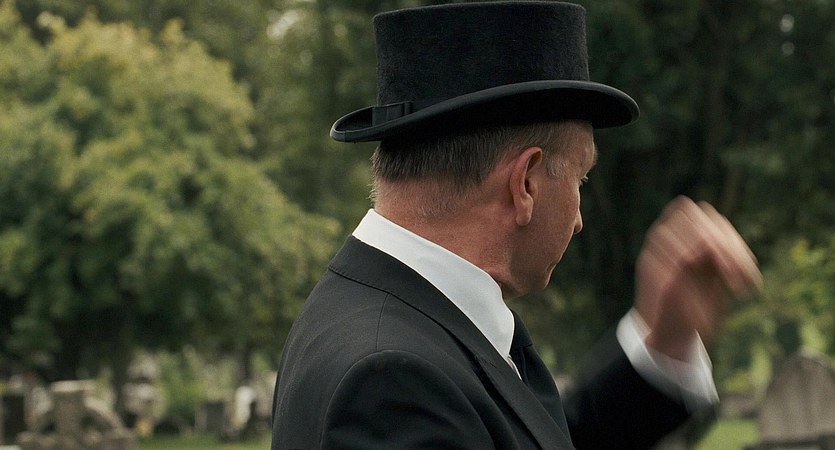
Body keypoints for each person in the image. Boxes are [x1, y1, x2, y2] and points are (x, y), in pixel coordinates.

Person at [270, 2, 762, 449]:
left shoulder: (388, 317)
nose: (579, 221)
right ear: (525, 182)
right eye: (580, 178)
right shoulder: (391, 382)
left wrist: (662, 345)